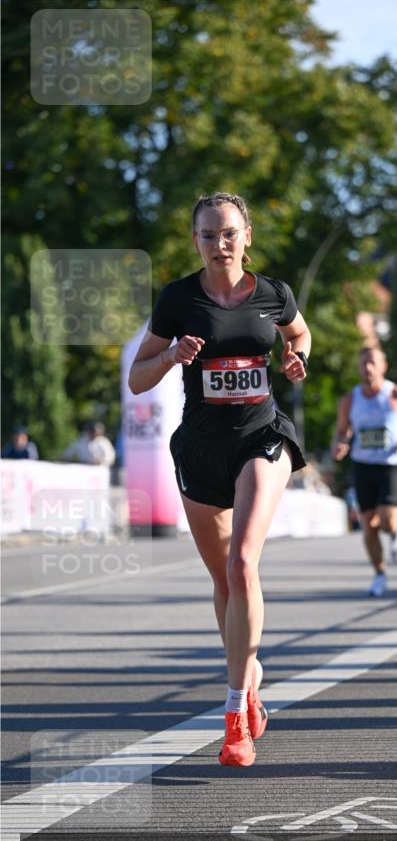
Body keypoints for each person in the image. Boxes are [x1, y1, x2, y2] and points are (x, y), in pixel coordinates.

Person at [128, 191, 310, 767]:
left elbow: (299, 333)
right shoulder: (177, 299)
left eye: (229, 232)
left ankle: (234, 715)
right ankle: (250, 677)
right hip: (201, 448)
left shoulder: (273, 293)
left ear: (247, 237)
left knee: (242, 563)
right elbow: (137, 378)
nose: (220, 243)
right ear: (196, 241)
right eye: (208, 235)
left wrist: (296, 357)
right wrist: (172, 357)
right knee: (224, 581)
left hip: (262, 436)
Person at [331, 345, 397, 596]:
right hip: (362, 465)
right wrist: (339, 445)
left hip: (390, 464)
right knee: (368, 524)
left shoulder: (396, 394)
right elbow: (342, 430)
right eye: (363, 363)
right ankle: (379, 575)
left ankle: (396, 532)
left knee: (387, 519)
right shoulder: (351, 399)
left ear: (384, 366)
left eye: (373, 363)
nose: (368, 368)